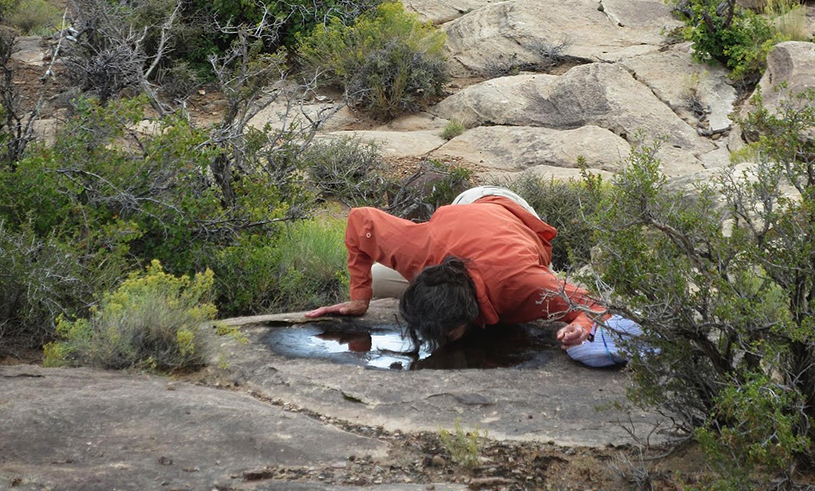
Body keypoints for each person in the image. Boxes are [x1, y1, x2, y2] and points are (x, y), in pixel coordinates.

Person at [305, 186, 638, 367]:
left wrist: (578, 327)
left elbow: (592, 306)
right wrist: (360, 298)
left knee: (529, 302)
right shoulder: (417, 252)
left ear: (467, 316)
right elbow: (359, 221)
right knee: (377, 279)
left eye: (447, 335)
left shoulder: (525, 284)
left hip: (510, 210)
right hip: (464, 208)